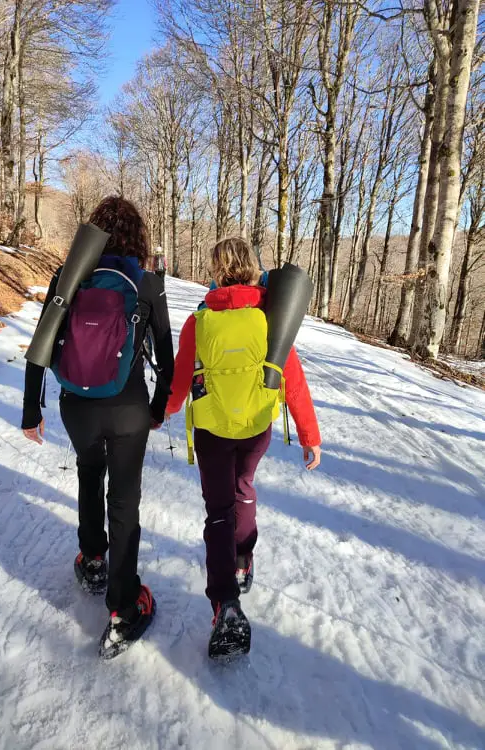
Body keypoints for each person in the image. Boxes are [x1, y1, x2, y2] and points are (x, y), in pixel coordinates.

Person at [21, 196, 174, 658]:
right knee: (124, 501)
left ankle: (91, 559)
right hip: (128, 408)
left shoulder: (70, 275)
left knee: (90, 469)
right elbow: (166, 359)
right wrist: (158, 407)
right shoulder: (146, 283)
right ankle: (124, 608)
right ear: (138, 238)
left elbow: (40, 345)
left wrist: (32, 410)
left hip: (77, 405)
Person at [165, 237, 321, 658]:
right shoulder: (272, 320)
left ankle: (225, 602)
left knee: (218, 510)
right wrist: (310, 436)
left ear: (216, 273)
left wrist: (164, 410)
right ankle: (243, 559)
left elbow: (181, 380)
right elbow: (294, 381)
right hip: (255, 428)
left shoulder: (199, 322)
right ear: (254, 269)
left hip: (213, 429)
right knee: (244, 489)